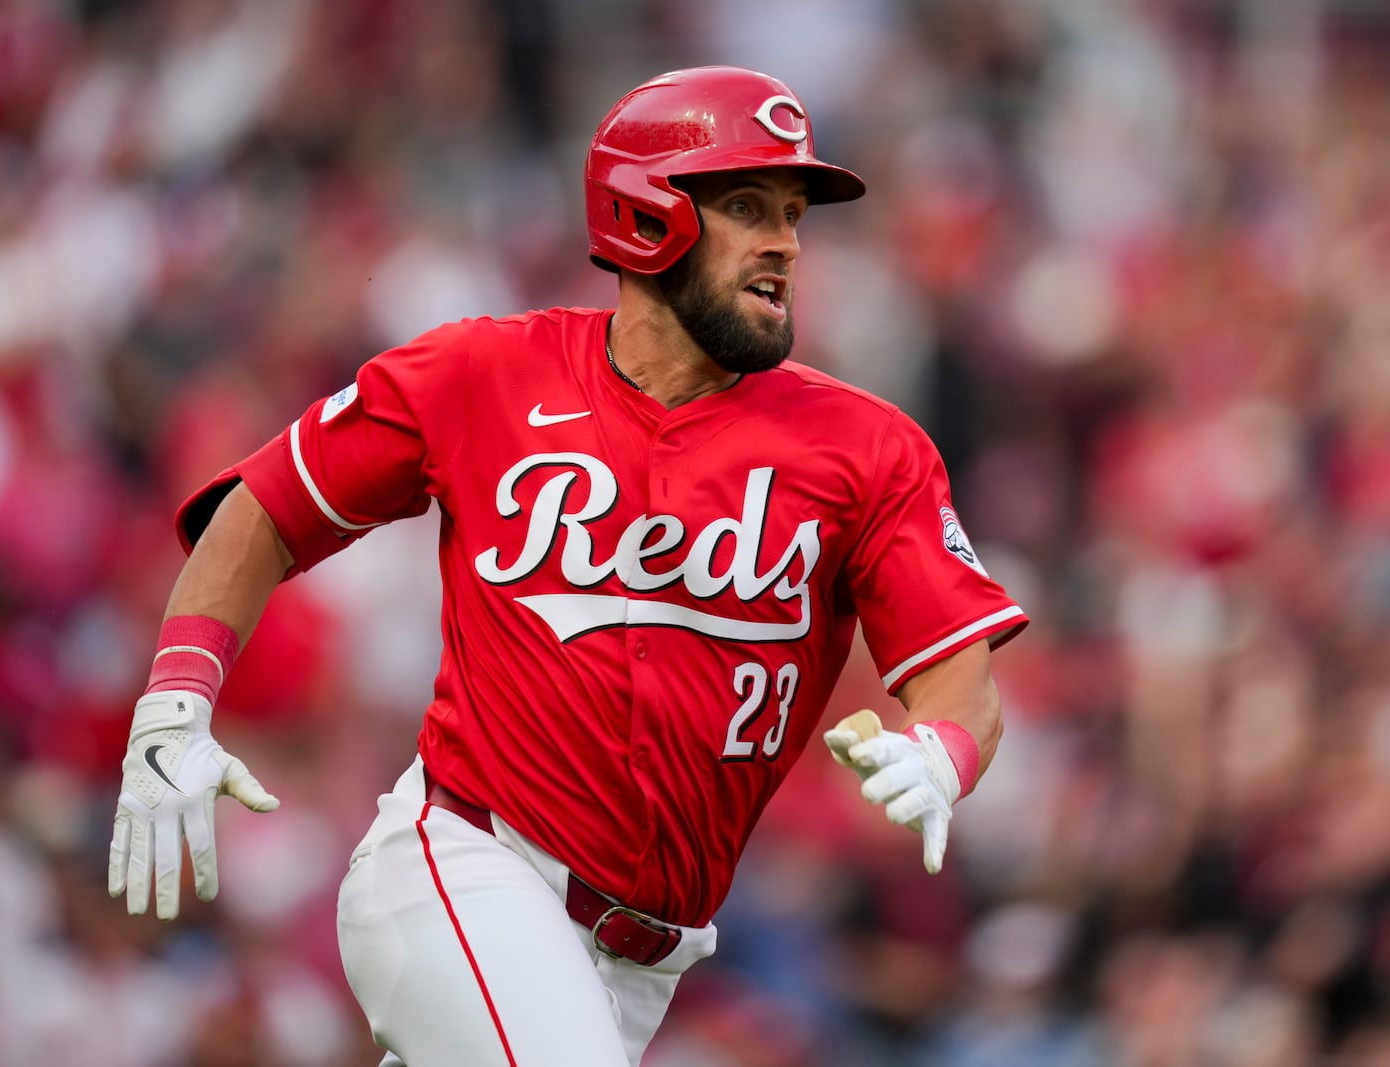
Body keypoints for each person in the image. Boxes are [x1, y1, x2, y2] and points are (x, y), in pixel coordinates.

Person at [108, 65, 1028, 1066]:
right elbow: (268, 509)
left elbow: (958, 676)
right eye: (746, 205)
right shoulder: (482, 373)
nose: (785, 241)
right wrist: (176, 700)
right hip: (464, 868)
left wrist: (942, 749)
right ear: (645, 216)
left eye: (794, 213)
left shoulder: (866, 446)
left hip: (642, 965)